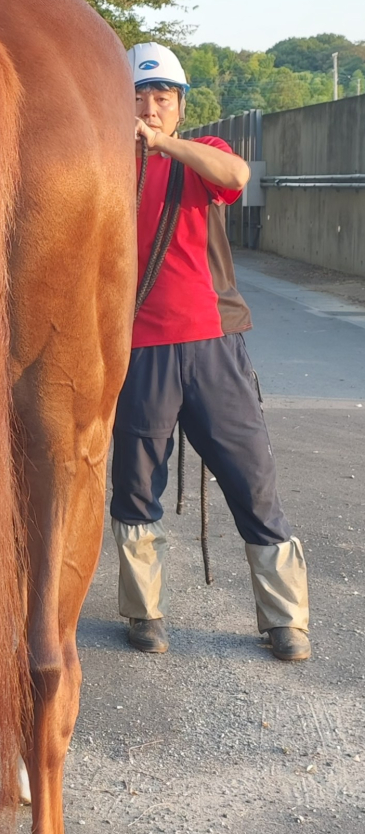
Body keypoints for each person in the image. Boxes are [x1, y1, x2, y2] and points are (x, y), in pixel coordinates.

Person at [111, 42, 310, 662]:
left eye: (161, 97)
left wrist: (163, 145)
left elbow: (238, 178)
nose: (148, 107)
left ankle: (285, 619)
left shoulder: (202, 157)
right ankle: (144, 613)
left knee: (253, 479)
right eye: (138, 95)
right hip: (139, 348)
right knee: (135, 484)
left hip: (212, 345)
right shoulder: (105, 164)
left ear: (179, 106)